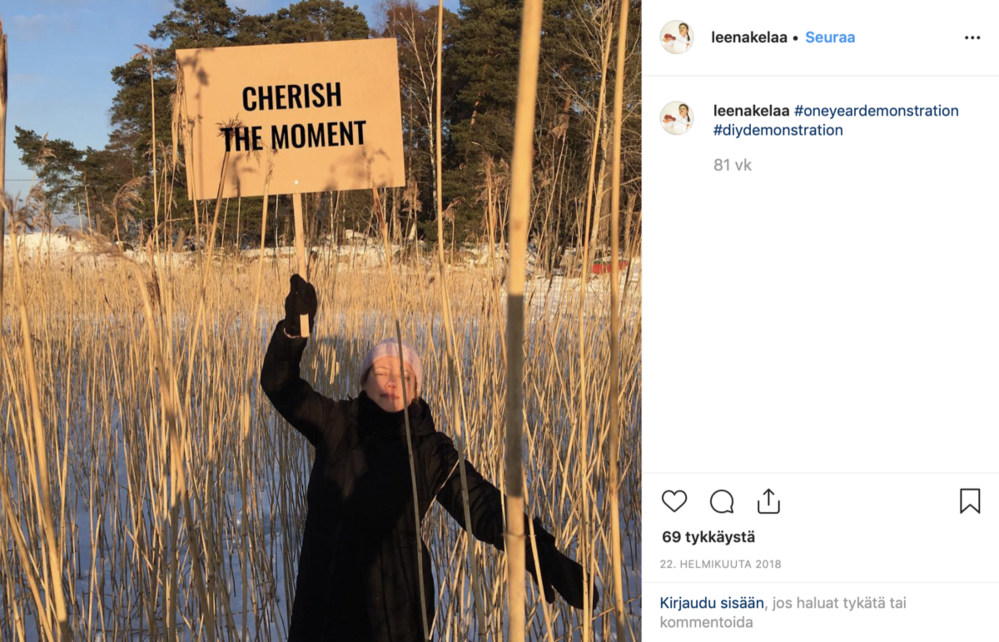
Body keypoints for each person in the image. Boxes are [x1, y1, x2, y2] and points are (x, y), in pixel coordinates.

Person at [261, 275, 597, 641]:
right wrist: (293, 332)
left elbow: (482, 504)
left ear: (416, 391)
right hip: (319, 609)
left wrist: (537, 549)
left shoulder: (429, 449)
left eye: (404, 376)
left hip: (392, 615)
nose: (392, 382)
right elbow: (280, 385)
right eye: (382, 372)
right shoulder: (335, 422)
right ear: (364, 382)